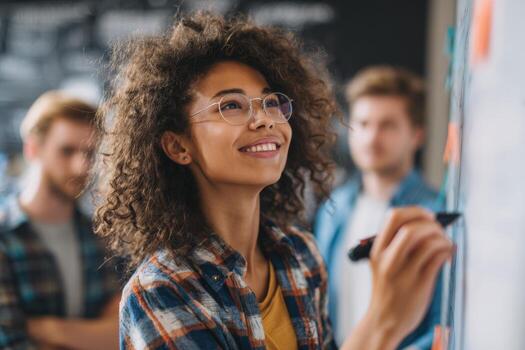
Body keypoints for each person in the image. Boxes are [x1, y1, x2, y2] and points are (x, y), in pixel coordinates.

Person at [95, 13, 453, 350]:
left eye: (270, 102)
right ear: (178, 145)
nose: (265, 119)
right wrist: (384, 322)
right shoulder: (162, 291)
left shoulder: (301, 256)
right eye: (231, 106)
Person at [315, 66, 442, 348]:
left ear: (417, 135)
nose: (372, 138)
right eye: (363, 124)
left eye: (388, 125)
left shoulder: (434, 215)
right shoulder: (332, 209)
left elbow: (441, 323)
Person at [0, 91, 121, 349]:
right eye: (66, 151)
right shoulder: (4, 238)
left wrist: (48, 330)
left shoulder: (101, 235)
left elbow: (122, 334)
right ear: (33, 149)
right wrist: (90, 336)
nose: (81, 166)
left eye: (89, 153)